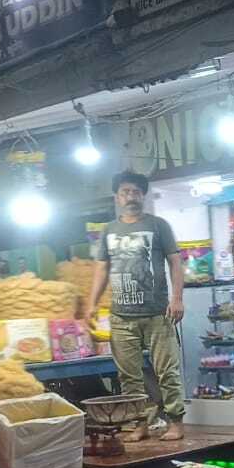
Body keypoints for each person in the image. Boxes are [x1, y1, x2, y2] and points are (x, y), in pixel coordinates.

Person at [87, 171, 187, 442]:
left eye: (135, 192)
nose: (130, 197)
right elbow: (101, 269)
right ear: (117, 197)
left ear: (143, 195)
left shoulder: (158, 225)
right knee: (128, 376)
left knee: (167, 371)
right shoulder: (108, 230)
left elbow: (175, 262)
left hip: (158, 313)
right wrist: (92, 304)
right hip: (121, 316)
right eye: (125, 192)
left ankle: (175, 422)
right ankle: (139, 424)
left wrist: (177, 298)